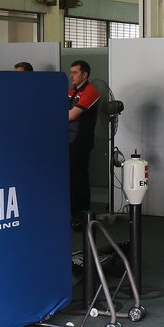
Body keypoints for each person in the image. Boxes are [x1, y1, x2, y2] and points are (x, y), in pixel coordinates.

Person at [66, 60, 100, 224]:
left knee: (79, 178)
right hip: (68, 139)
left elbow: (72, 115)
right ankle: (72, 213)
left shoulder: (91, 92)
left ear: (84, 74)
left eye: (75, 72)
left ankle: (82, 216)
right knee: (70, 178)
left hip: (81, 141)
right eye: (71, 72)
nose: (71, 75)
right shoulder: (72, 91)